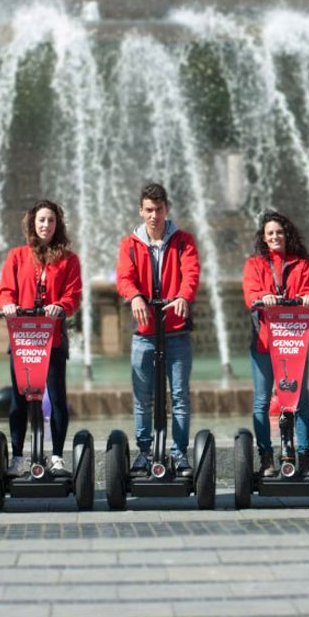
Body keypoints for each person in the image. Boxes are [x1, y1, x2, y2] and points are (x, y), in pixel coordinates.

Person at [116, 183, 200, 476]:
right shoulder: (129, 244)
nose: (154, 215)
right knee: (143, 397)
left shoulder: (183, 241)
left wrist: (182, 297)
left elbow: (191, 273)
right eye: (148, 210)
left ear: (167, 209)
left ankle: (178, 453)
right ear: (141, 211)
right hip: (145, 333)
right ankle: (144, 451)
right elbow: (124, 277)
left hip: (176, 331)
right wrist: (135, 296)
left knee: (179, 396)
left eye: (159, 209)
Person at [0, 200, 82, 477]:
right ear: (32, 223)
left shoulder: (69, 259)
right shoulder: (17, 256)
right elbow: (6, 290)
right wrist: (8, 304)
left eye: (52, 221)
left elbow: (73, 295)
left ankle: (56, 456)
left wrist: (62, 306)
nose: (46, 225)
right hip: (22, 339)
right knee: (19, 400)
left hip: (53, 338)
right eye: (42, 220)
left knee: (57, 398)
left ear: (58, 225)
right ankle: (19, 456)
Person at [242, 211, 309, 478]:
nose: (275, 237)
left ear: (287, 235)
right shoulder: (254, 264)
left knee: (300, 401)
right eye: (270, 233)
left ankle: (305, 457)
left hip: (294, 342)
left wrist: (308, 299)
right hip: (264, 342)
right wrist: (262, 297)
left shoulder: (301, 264)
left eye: (279, 232)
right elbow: (250, 293)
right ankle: (266, 458)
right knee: (262, 401)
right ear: (264, 238)